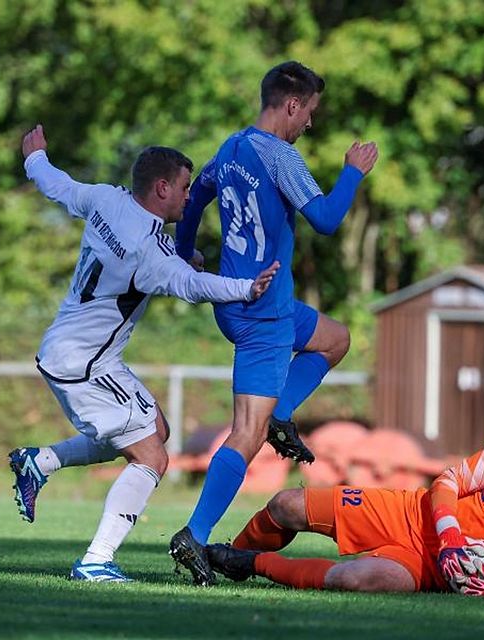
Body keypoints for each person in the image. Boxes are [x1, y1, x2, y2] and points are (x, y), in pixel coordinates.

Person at [9, 124, 280, 583]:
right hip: (83, 366)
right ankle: (96, 560)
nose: (188, 196)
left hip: (82, 354)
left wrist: (35, 158)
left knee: (156, 428)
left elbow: (59, 187)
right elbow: (190, 285)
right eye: (184, 187)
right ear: (161, 188)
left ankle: (41, 462)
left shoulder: (106, 199)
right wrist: (245, 288)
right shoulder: (150, 250)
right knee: (152, 457)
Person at [169, 61, 379, 585]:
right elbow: (327, 221)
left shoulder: (233, 145)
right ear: (292, 105)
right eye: (309, 111)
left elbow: (196, 196)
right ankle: (193, 534)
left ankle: (284, 409)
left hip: (248, 303)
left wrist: (184, 249)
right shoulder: (281, 156)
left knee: (335, 340)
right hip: (263, 316)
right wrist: (353, 170)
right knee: (246, 434)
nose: (310, 121)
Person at [206, 424, 484, 596]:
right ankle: (221, 560)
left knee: (356, 580)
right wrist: (451, 536)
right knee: (287, 504)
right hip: (411, 512)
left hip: (434, 567)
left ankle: (252, 564)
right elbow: (448, 483)